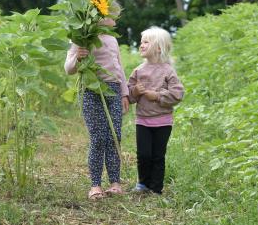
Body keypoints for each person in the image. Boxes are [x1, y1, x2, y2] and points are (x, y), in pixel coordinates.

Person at [64, 18, 129, 200]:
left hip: (114, 90)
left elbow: (119, 68)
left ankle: (115, 182)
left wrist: (124, 92)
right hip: (91, 90)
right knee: (98, 137)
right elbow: (68, 68)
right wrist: (78, 56)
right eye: (110, 15)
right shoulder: (82, 37)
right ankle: (95, 185)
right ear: (97, 16)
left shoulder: (112, 39)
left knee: (114, 135)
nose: (114, 20)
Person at [127, 27, 184, 194]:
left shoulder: (168, 71)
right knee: (143, 155)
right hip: (142, 120)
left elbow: (178, 94)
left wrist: (158, 96)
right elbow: (129, 96)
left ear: (159, 48)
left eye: (146, 42)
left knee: (158, 156)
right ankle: (143, 184)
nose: (141, 45)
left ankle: (156, 188)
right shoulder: (138, 70)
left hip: (163, 122)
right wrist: (134, 92)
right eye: (141, 42)